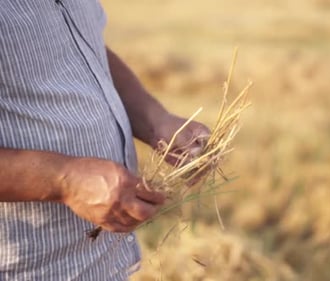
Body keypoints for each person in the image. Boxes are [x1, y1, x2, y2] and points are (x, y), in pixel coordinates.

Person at [0, 1, 210, 280]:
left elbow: (83, 49)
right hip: (28, 268)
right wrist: (65, 179)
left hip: (106, 261)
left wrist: (155, 119)